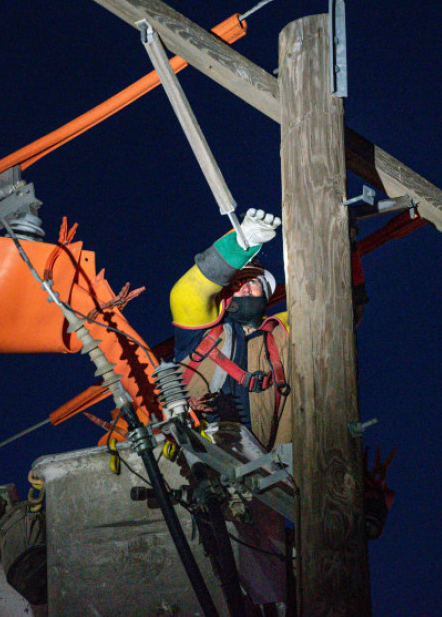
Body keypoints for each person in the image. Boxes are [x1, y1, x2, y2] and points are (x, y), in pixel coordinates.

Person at [169, 208, 292, 611]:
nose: (242, 291)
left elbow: (341, 306)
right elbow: (185, 294)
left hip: (268, 473)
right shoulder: (203, 326)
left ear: (267, 294)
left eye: (252, 285)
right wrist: (240, 246)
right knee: (204, 562)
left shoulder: (285, 332)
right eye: (235, 284)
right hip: (195, 461)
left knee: (269, 571)